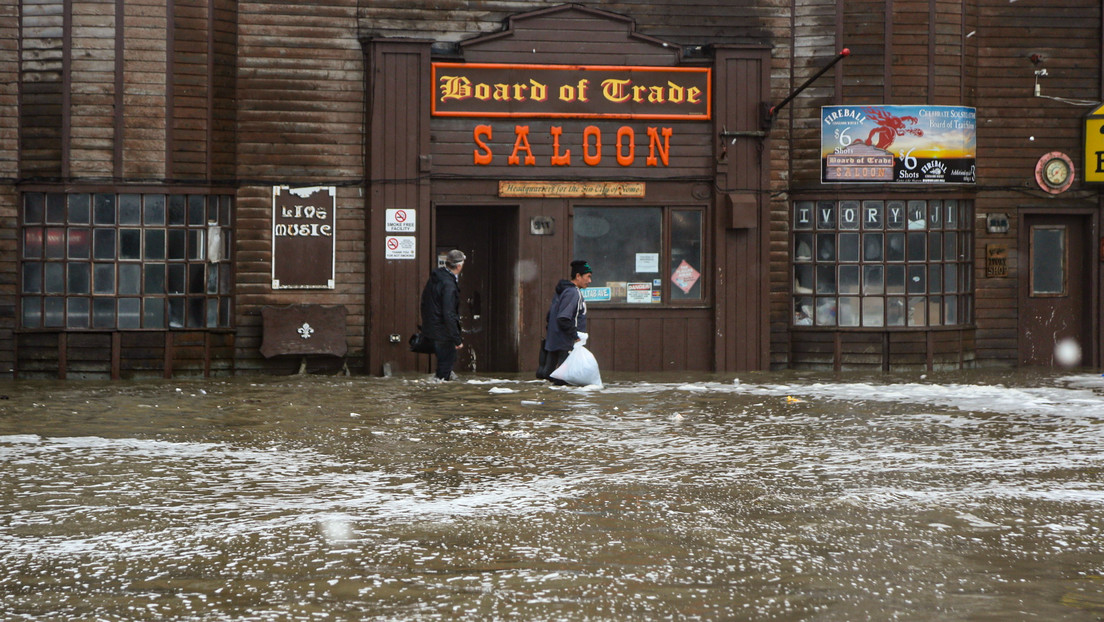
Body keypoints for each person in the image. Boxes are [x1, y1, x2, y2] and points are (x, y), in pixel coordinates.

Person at [538, 259, 592, 383]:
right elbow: (563, 318)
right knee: (564, 382)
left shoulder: (562, 291)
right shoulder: (573, 293)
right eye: (588, 277)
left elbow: (549, 316)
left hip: (554, 343)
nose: (590, 281)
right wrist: (575, 336)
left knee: (551, 379)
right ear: (578, 276)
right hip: (565, 344)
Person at [420, 249, 465, 381]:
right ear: (459, 266)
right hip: (443, 331)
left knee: (443, 365)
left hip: (432, 329)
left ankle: (438, 390)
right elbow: (449, 313)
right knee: (445, 366)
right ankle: (441, 397)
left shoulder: (436, 278)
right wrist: (456, 338)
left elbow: (425, 303)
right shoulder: (449, 284)